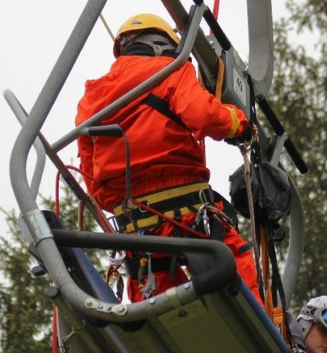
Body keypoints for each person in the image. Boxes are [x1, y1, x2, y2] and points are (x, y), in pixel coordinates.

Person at [74, 13, 262, 305]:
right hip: (188, 215)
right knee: (236, 270)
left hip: (136, 233)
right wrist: (239, 121)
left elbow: (92, 178)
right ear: (163, 44)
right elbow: (203, 114)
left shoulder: (91, 97)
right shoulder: (172, 70)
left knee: (162, 310)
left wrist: (128, 200)